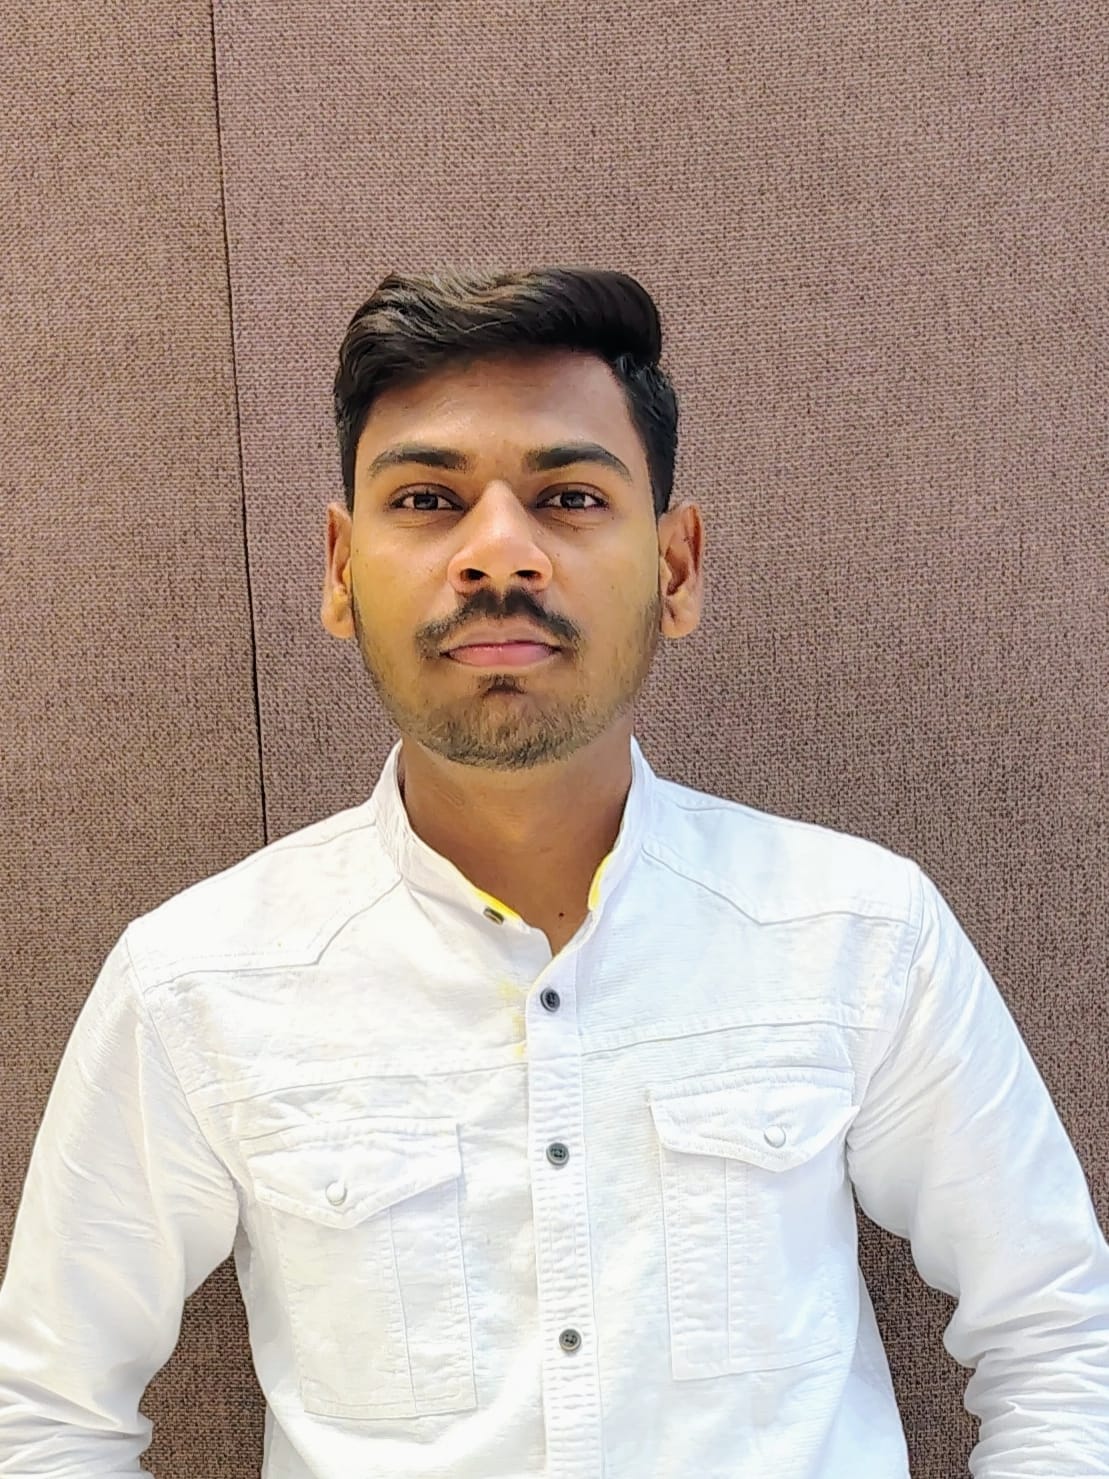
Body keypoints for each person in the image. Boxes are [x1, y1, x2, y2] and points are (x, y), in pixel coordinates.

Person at [0, 265, 1106, 1479]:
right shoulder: (195, 983)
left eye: (568, 497)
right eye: (427, 499)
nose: (496, 555)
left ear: (674, 568)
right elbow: (45, 1416)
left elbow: (1059, 1336)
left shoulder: (857, 932)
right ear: (339, 569)